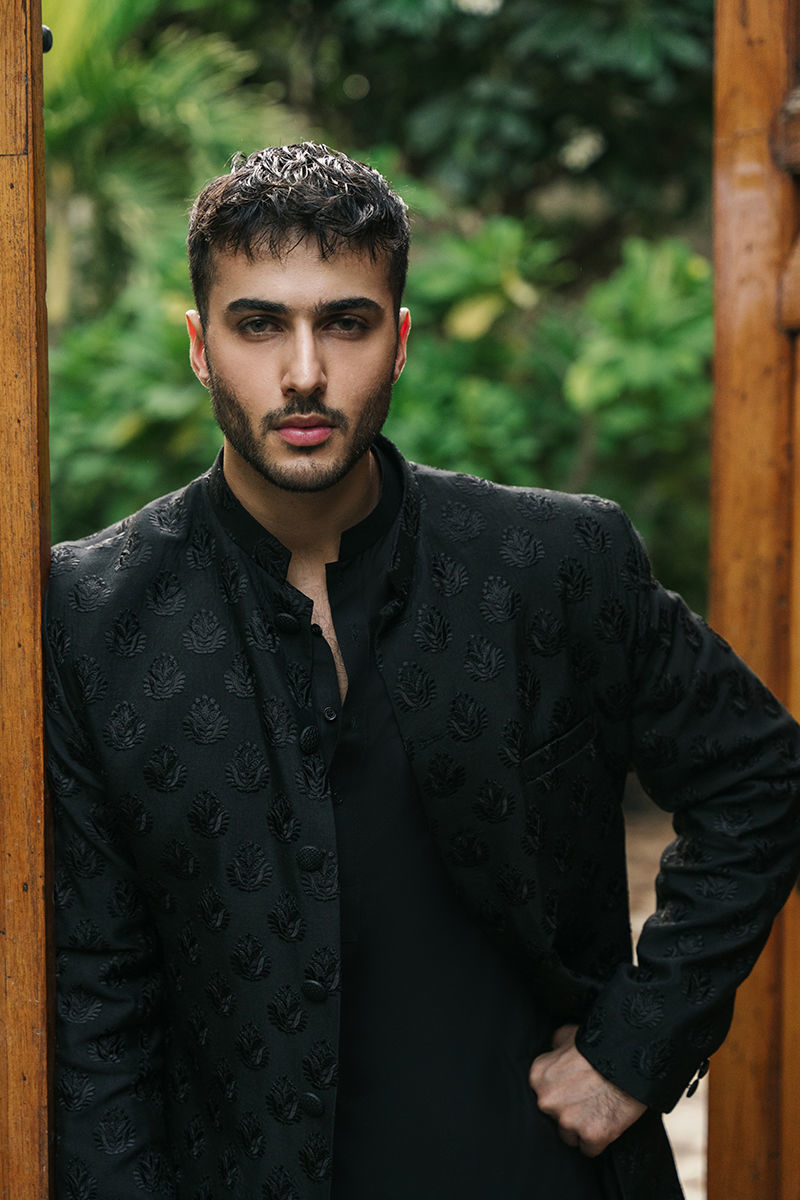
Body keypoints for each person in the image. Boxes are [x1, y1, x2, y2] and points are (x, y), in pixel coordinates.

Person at [45, 142, 800, 1200]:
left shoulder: (552, 563)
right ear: (200, 347)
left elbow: (763, 775)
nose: (303, 373)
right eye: (258, 324)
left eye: (344, 323)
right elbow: (95, 999)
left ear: (398, 342)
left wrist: (636, 1046)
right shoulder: (88, 615)